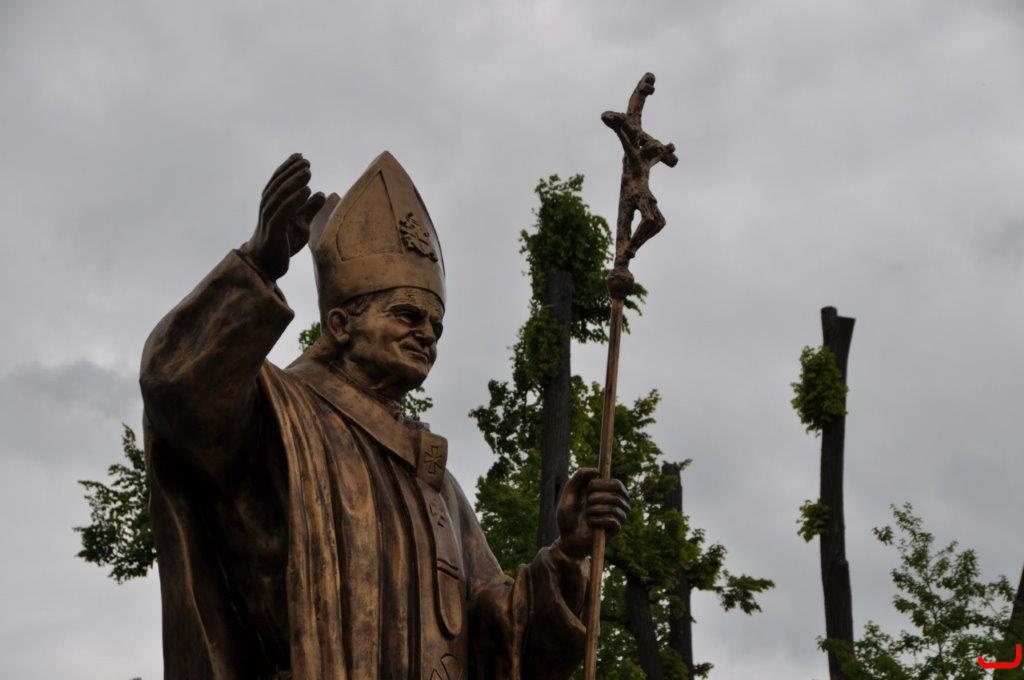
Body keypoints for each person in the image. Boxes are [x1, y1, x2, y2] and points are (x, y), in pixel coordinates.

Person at [140, 151, 629, 679]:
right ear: (340, 324)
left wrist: (570, 553)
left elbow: (499, 632)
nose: (426, 334)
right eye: (407, 315)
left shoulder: (434, 483)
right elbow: (177, 386)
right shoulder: (277, 413)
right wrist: (258, 264)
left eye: (436, 326)